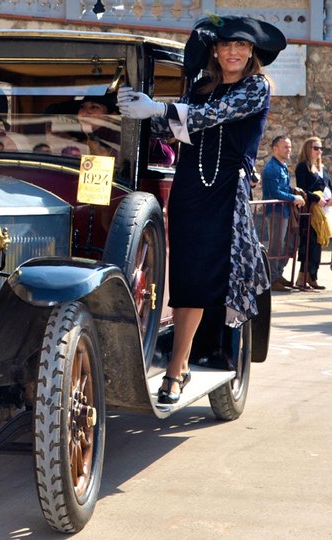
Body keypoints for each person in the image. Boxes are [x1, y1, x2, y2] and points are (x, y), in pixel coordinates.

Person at [117, 15, 284, 405]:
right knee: (189, 274)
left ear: (252, 52)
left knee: (220, 274)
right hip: (191, 186)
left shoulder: (256, 87)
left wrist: (157, 108)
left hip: (227, 191)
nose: (233, 52)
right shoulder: (199, 87)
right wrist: (126, 105)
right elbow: (166, 130)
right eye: (226, 45)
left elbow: (215, 115)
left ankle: (185, 367)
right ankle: (180, 363)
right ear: (215, 50)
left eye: (241, 46)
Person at [260, 135, 304, 290]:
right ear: (275, 149)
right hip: (276, 212)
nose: (289, 150)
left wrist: (293, 194)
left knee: (287, 245)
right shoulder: (272, 168)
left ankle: (278, 273)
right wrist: (294, 197)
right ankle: (272, 278)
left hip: (284, 211)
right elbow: (274, 192)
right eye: (285, 147)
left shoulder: (282, 166)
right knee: (276, 245)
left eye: (290, 147)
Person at [294, 137, 332, 291]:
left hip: (323, 212)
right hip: (310, 211)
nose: (319, 151)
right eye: (316, 148)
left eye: (320, 148)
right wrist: (316, 197)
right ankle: (303, 278)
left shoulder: (322, 168)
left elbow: (331, 187)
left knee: (317, 244)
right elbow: (302, 188)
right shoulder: (302, 167)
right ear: (308, 149)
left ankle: (313, 277)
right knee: (308, 244)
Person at [49, 94, 120, 158]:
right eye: (82, 107)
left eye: (94, 107)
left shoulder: (122, 148)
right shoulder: (74, 149)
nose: (84, 113)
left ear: (113, 116)